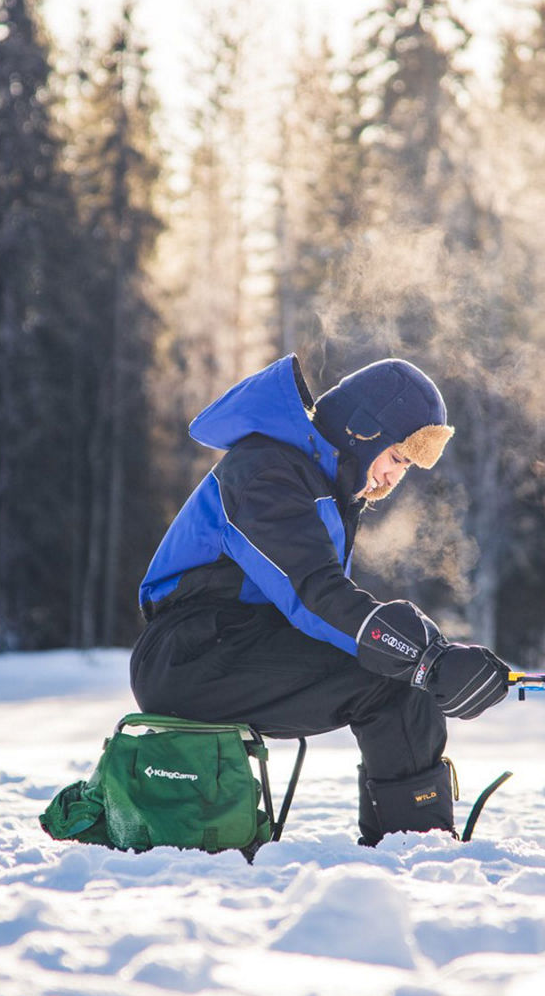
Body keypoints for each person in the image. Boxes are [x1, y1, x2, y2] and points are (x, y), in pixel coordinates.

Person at [130, 353, 510, 846]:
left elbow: (319, 605)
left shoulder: (317, 482)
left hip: (228, 645)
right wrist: (426, 659)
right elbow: (314, 595)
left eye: (407, 466)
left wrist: (427, 653)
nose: (396, 478)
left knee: (396, 675)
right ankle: (414, 847)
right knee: (392, 681)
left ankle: (409, 842)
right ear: (364, 432)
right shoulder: (269, 473)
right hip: (188, 655)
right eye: (397, 456)